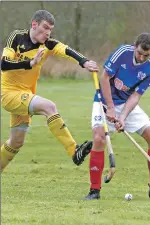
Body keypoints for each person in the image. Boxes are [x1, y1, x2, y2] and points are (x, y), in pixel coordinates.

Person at [0, 10, 99, 172]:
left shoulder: (48, 44)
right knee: (49, 107)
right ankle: (74, 151)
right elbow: (3, 64)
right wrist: (30, 63)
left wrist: (85, 62)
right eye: (45, 27)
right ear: (34, 24)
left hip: (26, 95)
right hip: (9, 94)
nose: (47, 33)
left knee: (16, 142)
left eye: (50, 29)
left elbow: (66, 50)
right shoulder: (17, 37)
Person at [84, 33, 150, 200]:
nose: (141, 57)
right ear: (135, 46)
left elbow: (135, 96)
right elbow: (104, 77)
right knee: (99, 139)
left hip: (126, 104)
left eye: (146, 55)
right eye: (139, 52)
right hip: (104, 101)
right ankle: (94, 191)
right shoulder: (123, 52)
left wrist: (123, 117)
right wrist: (111, 108)